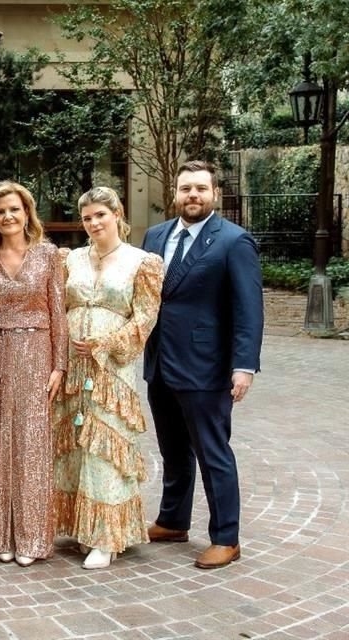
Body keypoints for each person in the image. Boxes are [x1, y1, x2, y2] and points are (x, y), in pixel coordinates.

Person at [142, 160, 263, 570]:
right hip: (160, 362)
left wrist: (244, 365)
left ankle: (226, 537)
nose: (192, 195)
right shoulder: (155, 236)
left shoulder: (233, 241)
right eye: (185, 189)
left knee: (212, 452)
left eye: (200, 189)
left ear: (215, 195)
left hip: (206, 366)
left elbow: (249, 309)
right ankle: (173, 520)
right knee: (172, 449)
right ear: (174, 194)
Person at [52, 187, 163, 570]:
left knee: (105, 444)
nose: (94, 223)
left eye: (101, 214)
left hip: (112, 368)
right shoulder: (71, 259)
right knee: (74, 444)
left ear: (117, 214)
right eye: (87, 218)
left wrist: (106, 343)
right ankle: (79, 526)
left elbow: (145, 318)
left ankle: (106, 537)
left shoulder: (142, 262)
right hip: (72, 364)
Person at [0, 181, 67, 567]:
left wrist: (59, 364)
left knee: (30, 448)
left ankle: (30, 536)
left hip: (36, 354)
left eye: (15, 209)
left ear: (27, 212)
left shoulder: (48, 255)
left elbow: (58, 311)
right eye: (1, 211)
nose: (8, 216)